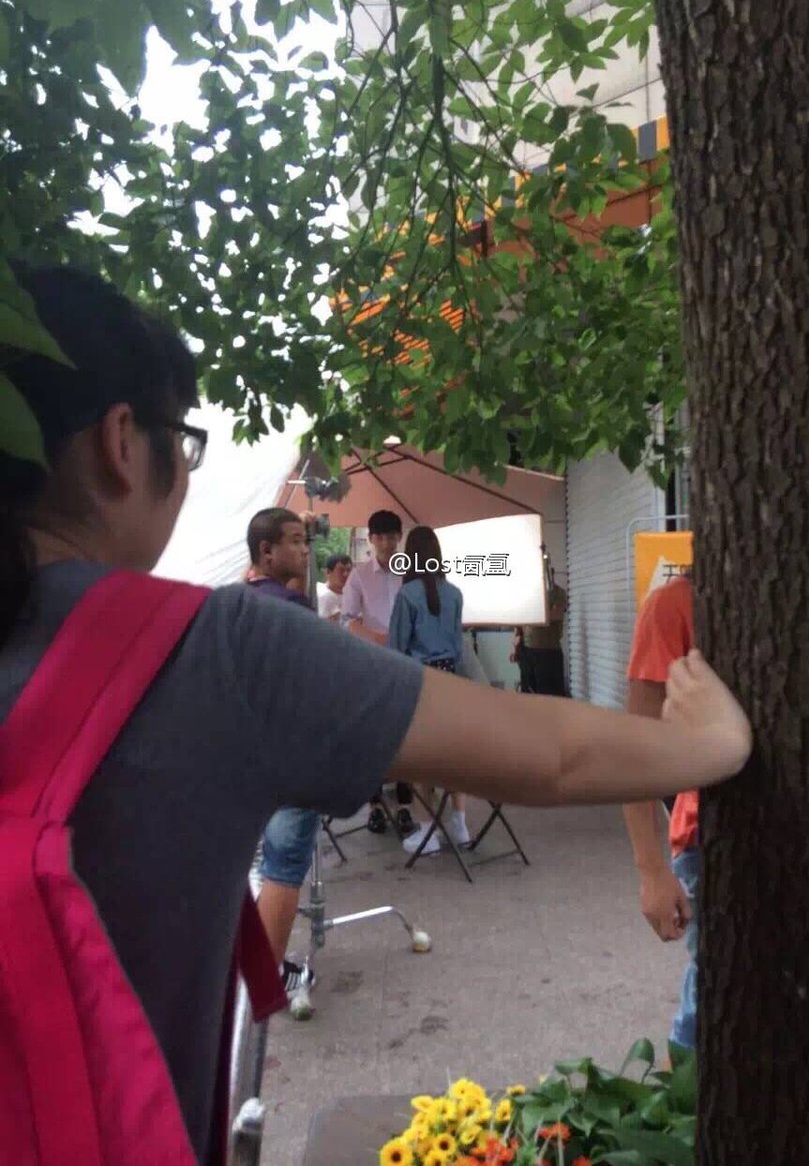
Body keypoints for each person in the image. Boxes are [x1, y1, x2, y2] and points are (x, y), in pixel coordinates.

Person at [0, 264, 750, 1164]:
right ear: (121, 443)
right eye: (186, 445)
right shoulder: (219, 648)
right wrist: (715, 740)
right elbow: (554, 753)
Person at [243, 508, 321, 999]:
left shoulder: (235, 602)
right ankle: (265, 979)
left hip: (247, 759)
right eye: (294, 540)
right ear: (267, 551)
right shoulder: (292, 611)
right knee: (284, 870)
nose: (305, 549)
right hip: (292, 761)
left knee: (264, 865)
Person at [622, 570, 698, 1050]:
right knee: (715, 998)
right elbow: (637, 750)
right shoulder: (674, 604)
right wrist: (651, 870)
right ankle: (686, 1091)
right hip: (710, 836)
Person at [388, 526, 469, 856]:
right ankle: (461, 826)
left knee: (423, 761)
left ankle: (427, 832)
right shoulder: (455, 594)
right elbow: (459, 648)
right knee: (453, 755)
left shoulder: (407, 595)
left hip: (420, 682)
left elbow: (396, 648)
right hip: (451, 680)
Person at [341, 509, 415, 835]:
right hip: (371, 664)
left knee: (407, 735)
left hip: (407, 662)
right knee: (372, 737)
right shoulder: (358, 575)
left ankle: (405, 806)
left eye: (391, 536)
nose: (386, 542)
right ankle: (374, 807)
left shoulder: (410, 571)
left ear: (399, 537)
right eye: (380, 536)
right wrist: (379, 638)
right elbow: (347, 620)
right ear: (370, 539)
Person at [520, 570, 568, 695]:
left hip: (548, 651)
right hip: (528, 650)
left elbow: (554, 615)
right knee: (529, 693)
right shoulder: (529, 593)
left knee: (550, 694)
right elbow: (520, 620)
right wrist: (515, 645)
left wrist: (532, 614)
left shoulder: (557, 593)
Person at [317, 552, 352, 621]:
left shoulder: (354, 595)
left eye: (348, 570)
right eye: (341, 570)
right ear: (328, 572)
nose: (346, 574)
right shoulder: (325, 595)